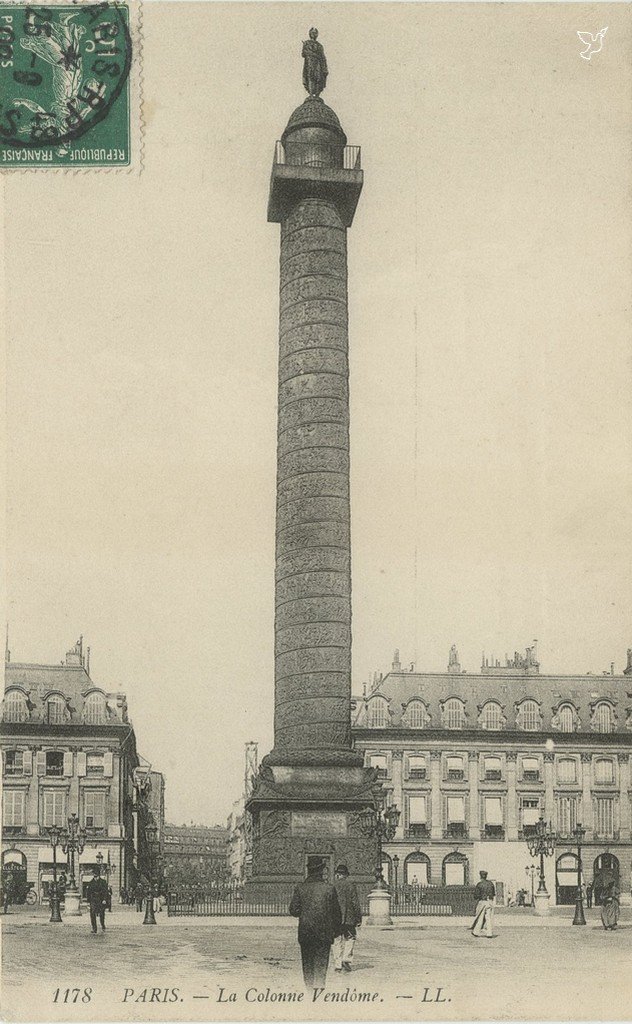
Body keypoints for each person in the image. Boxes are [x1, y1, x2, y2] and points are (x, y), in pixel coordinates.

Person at [289, 858, 342, 991]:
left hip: (305, 931)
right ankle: (319, 988)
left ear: (309, 870)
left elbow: (294, 911)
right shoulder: (329, 888)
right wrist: (336, 931)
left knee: (307, 961)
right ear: (322, 870)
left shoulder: (300, 888)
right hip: (324, 932)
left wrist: (305, 911)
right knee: (322, 961)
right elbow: (337, 913)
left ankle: (308, 988)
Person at [332, 864, 362, 973]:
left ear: (337, 875)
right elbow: (355, 903)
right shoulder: (351, 885)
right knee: (350, 938)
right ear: (346, 875)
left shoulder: (333, 886)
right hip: (349, 918)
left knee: (336, 940)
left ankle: (337, 964)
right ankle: (346, 958)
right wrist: (358, 918)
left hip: (336, 918)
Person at [471, 870, 496, 938]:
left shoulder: (479, 884)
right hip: (490, 901)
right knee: (488, 918)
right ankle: (489, 933)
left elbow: (476, 895)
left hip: (482, 901)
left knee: (480, 917)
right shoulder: (491, 883)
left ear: (480, 876)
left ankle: (476, 932)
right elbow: (493, 893)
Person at [86, 867, 110, 934]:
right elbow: (88, 892)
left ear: (98, 875)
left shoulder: (103, 882)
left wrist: (105, 899)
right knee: (92, 914)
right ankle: (94, 928)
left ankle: (102, 925)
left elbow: (105, 891)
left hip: (101, 899)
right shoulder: (91, 882)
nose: (95, 876)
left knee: (102, 914)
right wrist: (88, 902)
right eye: (94, 875)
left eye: (96, 875)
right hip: (93, 900)